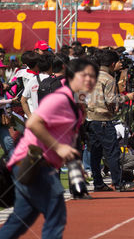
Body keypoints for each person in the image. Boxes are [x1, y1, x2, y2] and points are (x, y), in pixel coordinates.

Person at [0, 57, 96, 239]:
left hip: (36, 162)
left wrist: (74, 165)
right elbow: (34, 123)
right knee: (55, 212)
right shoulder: (60, 99)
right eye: (85, 76)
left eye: (93, 76)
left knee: (21, 219)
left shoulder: (73, 104)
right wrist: (59, 148)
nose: (90, 81)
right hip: (32, 161)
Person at [86, 48, 134, 192]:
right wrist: (127, 97)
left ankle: (98, 183)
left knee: (95, 153)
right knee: (112, 152)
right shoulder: (108, 79)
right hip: (103, 120)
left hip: (90, 119)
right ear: (112, 64)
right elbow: (111, 99)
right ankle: (117, 181)